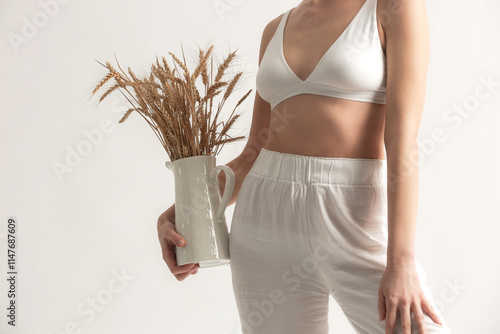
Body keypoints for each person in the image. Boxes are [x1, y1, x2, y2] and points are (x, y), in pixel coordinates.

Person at [157, 0, 452, 333]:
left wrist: (401, 261)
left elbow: (402, 140)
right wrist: (185, 209)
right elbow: (254, 154)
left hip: (354, 216)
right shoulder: (275, 29)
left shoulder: (392, 8)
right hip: (263, 221)